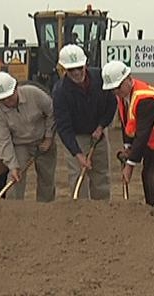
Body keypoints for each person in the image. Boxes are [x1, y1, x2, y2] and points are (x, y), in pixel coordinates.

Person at [101, 60, 154, 206]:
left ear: (129, 79)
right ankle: (151, 211)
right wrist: (128, 147)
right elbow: (127, 123)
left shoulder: (145, 100)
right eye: (113, 89)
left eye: (118, 87)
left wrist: (129, 165)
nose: (116, 92)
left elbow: (142, 135)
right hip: (153, 141)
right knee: (147, 176)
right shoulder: (123, 96)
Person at [53, 44, 116, 200]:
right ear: (64, 69)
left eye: (79, 68)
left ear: (85, 64)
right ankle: (81, 212)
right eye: (71, 69)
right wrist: (77, 154)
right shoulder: (60, 92)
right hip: (76, 136)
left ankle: (101, 210)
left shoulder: (100, 78)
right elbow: (64, 127)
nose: (76, 72)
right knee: (77, 175)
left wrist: (101, 126)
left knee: (101, 174)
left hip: (98, 132)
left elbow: (111, 104)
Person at [0, 71, 57, 202]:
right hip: (20, 144)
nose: (7, 102)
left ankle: (46, 209)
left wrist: (49, 137)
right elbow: (2, 140)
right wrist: (12, 165)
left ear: (16, 88)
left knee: (46, 178)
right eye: (2, 99)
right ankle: (13, 210)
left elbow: (52, 112)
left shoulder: (34, 93)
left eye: (9, 96)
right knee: (14, 178)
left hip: (43, 140)